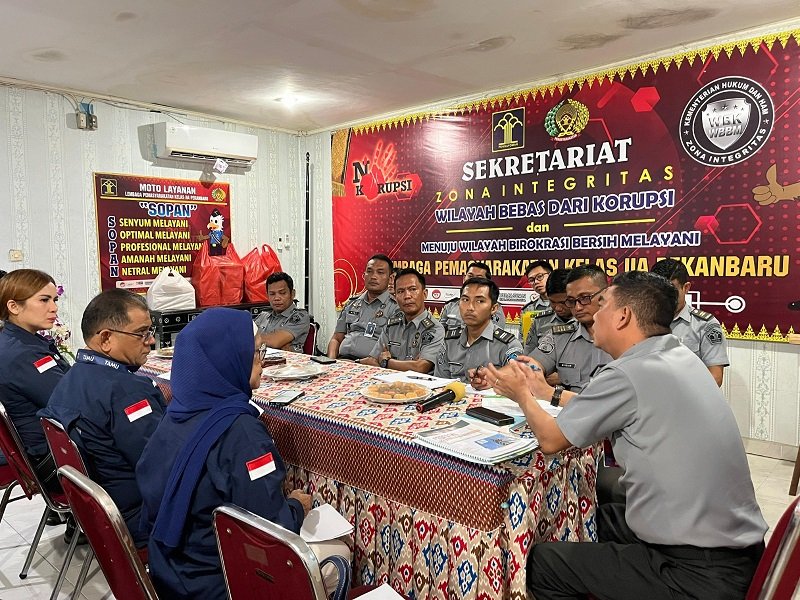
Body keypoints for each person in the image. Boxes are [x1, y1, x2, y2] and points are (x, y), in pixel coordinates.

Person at [485, 271, 766, 600]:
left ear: (623, 316)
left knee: (541, 564)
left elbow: (551, 440)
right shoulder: (677, 356)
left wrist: (522, 394)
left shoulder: (629, 371)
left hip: (695, 571)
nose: (593, 313)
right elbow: (604, 405)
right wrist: (545, 392)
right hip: (734, 549)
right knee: (587, 516)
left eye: (601, 303)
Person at [137, 308, 349, 600]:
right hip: (218, 580)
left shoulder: (175, 413)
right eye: (256, 351)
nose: (263, 360)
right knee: (339, 553)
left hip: (168, 568)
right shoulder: (241, 432)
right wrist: (296, 507)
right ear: (229, 358)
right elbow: (268, 529)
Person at [40, 289, 165, 546]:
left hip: (98, 513)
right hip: (138, 517)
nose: (151, 341)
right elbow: (163, 466)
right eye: (142, 333)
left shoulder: (73, 376)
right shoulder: (127, 392)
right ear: (106, 338)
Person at [0, 269, 70, 500]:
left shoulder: (19, 340)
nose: (54, 308)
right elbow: (70, 402)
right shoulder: (23, 354)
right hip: (54, 461)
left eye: (55, 300)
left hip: (46, 451)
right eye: (44, 300)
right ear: (14, 306)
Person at [527, 265, 612, 395]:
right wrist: (533, 372)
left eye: (585, 298)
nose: (577, 308)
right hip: (566, 407)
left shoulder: (628, 335)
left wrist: (549, 393)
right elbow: (531, 364)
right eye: (571, 301)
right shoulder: (560, 336)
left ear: (606, 293)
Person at [650, 258, 729, 386]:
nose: (665, 298)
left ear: (686, 288)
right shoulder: (643, 321)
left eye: (671, 292)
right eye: (659, 292)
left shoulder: (705, 325)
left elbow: (715, 379)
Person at [434, 277, 521, 383]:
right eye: (465, 300)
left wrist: (492, 379)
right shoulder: (449, 342)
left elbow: (518, 376)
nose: (470, 307)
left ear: (493, 308)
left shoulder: (508, 345)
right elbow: (439, 383)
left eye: (480, 301)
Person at [361, 268, 444, 373]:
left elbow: (421, 367)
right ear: (395, 297)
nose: (407, 296)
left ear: (424, 294)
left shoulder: (435, 329)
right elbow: (373, 360)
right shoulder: (392, 325)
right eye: (400, 291)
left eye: (413, 289)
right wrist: (409, 365)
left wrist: (386, 362)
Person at [327, 254, 398, 360]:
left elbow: (394, 348)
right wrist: (330, 361)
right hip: (343, 361)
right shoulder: (352, 304)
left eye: (380, 272)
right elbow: (336, 339)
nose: (373, 277)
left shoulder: (396, 308)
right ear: (364, 275)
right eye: (369, 271)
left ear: (391, 278)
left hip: (371, 364)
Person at [438, 261, 507, 330]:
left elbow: (496, 333)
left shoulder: (493, 308)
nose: (473, 280)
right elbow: (440, 331)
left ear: (487, 282)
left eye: (479, 278)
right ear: (464, 278)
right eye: (470, 276)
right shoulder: (450, 305)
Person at [254, 272, 310, 353]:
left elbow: (275, 341)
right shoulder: (263, 316)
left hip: (286, 360)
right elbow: (244, 336)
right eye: (272, 294)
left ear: (292, 294)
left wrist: (256, 340)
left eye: (282, 293)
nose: (277, 298)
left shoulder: (300, 316)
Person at [523, 268, 573, 355]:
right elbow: (528, 355)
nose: (558, 308)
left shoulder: (587, 321)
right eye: (552, 302)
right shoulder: (540, 321)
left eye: (563, 302)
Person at [518, 260, 553, 341]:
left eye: (540, 276)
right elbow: (523, 340)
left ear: (551, 275)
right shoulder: (527, 310)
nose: (536, 282)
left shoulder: (567, 305)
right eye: (531, 280)